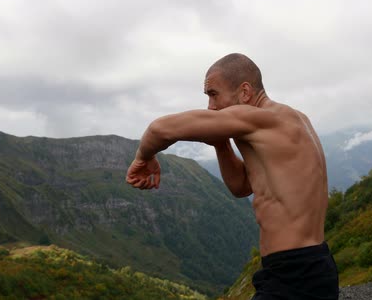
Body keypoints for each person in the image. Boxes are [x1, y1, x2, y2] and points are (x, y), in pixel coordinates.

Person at [126, 53, 339, 299]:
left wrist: (144, 157)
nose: (210, 107)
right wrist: (221, 144)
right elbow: (241, 187)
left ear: (245, 91)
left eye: (213, 94)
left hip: (295, 273)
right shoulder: (291, 120)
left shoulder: (261, 119)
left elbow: (160, 129)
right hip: (308, 265)